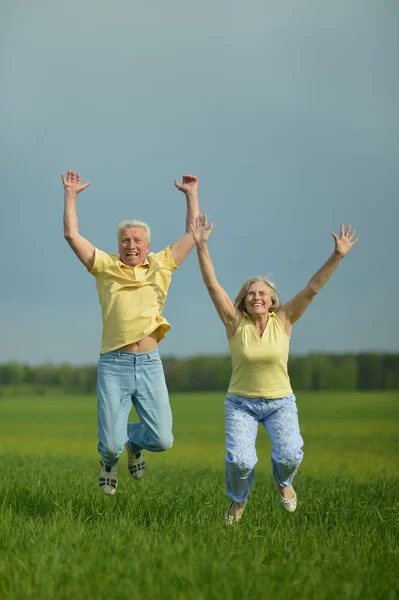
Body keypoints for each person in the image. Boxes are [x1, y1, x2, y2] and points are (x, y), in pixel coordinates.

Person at [191, 214, 358, 523]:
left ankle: (284, 482)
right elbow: (212, 284)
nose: (256, 296)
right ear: (243, 300)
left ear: (272, 301)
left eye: (262, 293)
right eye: (251, 293)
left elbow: (312, 288)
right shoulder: (234, 322)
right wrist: (201, 246)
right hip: (241, 403)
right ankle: (238, 500)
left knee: (291, 454)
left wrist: (337, 256)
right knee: (240, 462)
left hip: (280, 403)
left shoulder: (285, 320)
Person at [62, 170, 200, 496]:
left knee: (163, 439)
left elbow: (194, 234)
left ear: (147, 245)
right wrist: (71, 194)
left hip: (150, 364)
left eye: (137, 240)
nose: (131, 245)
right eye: (125, 240)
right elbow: (72, 235)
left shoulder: (162, 264)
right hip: (114, 365)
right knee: (109, 445)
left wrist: (191, 194)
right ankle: (110, 460)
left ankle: (134, 445)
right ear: (118, 246)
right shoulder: (105, 266)